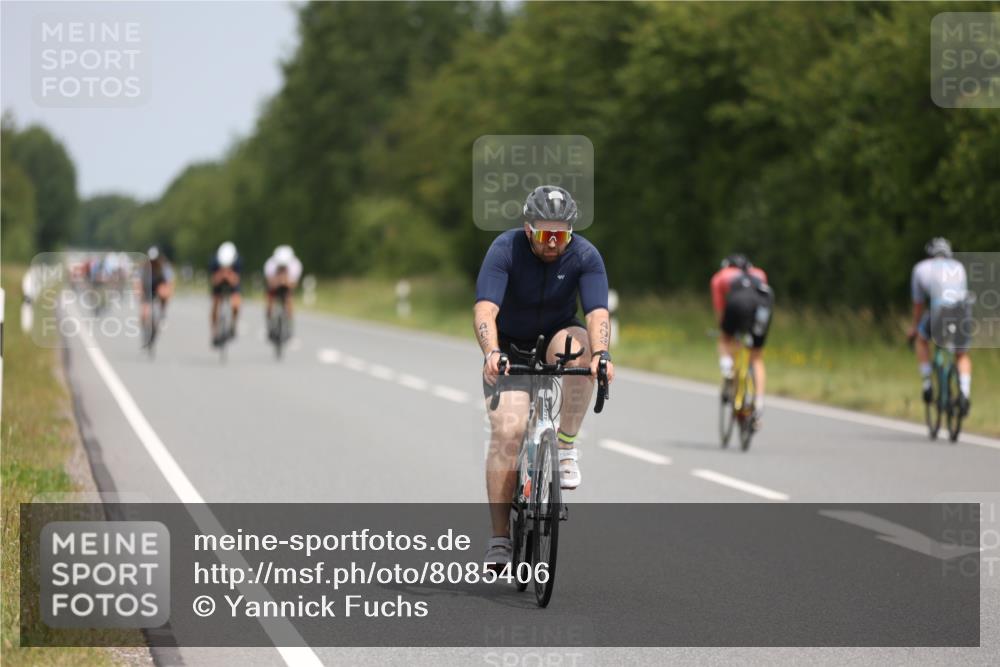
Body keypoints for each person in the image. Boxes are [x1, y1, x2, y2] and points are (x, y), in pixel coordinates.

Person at [474, 185, 615, 568]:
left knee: (583, 351)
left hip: (556, 335)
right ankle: (500, 538)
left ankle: (566, 445)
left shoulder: (585, 255)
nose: (553, 244)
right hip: (510, 347)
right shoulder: (505, 249)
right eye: (544, 234)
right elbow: (486, 310)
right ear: (527, 228)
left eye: (561, 235)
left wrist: (602, 356)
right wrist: (492, 353)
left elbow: (597, 313)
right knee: (507, 432)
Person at [907, 237, 972, 416]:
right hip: (961, 311)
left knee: (922, 340)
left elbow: (918, 304)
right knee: (961, 354)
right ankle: (965, 393)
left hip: (939, 311)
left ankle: (927, 383)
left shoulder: (920, 268)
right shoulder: (959, 267)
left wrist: (914, 327)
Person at [710, 253, 773, 428]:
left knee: (725, 339)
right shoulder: (759, 273)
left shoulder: (720, 277)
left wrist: (725, 332)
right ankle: (759, 404)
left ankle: (727, 368)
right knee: (757, 357)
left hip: (737, 302)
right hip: (763, 304)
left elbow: (721, 313)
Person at [264, 245, 303, 341]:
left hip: (287, 288)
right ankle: (270, 323)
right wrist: (278, 282)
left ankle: (289, 324)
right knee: (270, 302)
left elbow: (294, 285)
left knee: (289, 302)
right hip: (274, 287)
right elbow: (270, 283)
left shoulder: (295, 266)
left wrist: (285, 282)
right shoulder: (270, 265)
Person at [140, 246, 175, 345]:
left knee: (164, 293)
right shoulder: (144, 267)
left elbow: (169, 282)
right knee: (144, 313)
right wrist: (140, 292)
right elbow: (138, 282)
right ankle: (145, 331)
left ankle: (162, 313)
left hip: (158, 287)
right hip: (147, 290)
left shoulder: (164, 267)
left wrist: (168, 293)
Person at [209, 241, 242, 346]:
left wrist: (228, 276)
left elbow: (236, 280)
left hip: (232, 286)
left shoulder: (238, 262)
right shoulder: (214, 261)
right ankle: (214, 332)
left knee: (236, 304)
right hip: (218, 286)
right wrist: (221, 276)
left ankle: (233, 324)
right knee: (215, 304)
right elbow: (213, 280)